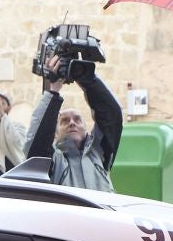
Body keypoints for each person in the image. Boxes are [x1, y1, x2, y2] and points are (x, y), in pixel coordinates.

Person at [26, 55, 123, 192]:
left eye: (77, 119)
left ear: (86, 128)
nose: (72, 123)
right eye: (64, 121)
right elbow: (37, 143)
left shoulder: (99, 153)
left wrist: (85, 78)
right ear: (55, 133)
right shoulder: (54, 161)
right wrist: (53, 91)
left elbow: (111, 114)